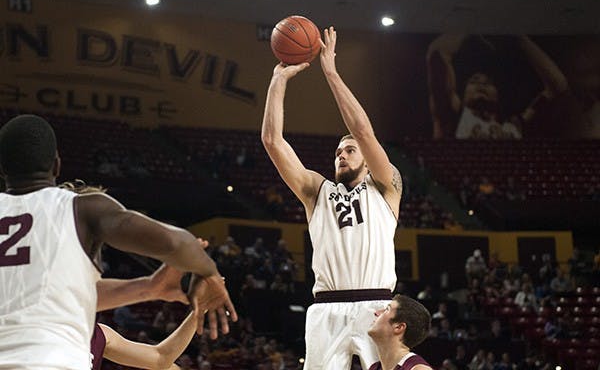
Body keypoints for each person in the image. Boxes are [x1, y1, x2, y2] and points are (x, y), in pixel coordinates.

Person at [0, 114, 236, 370]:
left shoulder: (43, 285)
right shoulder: (80, 208)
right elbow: (176, 244)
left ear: (2, 168)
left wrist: (150, 286)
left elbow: (63, 290)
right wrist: (210, 273)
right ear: (56, 165)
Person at [261, 26, 402, 370]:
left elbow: (364, 131)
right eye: (338, 150)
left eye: (350, 150)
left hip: (378, 307)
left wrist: (331, 71)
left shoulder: (387, 186)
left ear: (368, 161)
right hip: (326, 307)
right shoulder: (316, 191)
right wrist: (278, 80)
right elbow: (272, 142)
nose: (341, 154)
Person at [426, 34, 568, 139]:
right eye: (474, 81)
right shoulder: (451, 116)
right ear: (462, 94)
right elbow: (437, 52)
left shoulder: (515, 124)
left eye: (488, 83)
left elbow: (558, 85)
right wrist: (471, 27)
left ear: (498, 95)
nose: (481, 85)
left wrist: (518, 37)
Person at [367, 294, 432, 370]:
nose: (376, 312)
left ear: (399, 327)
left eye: (387, 309)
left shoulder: (418, 368)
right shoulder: (374, 367)